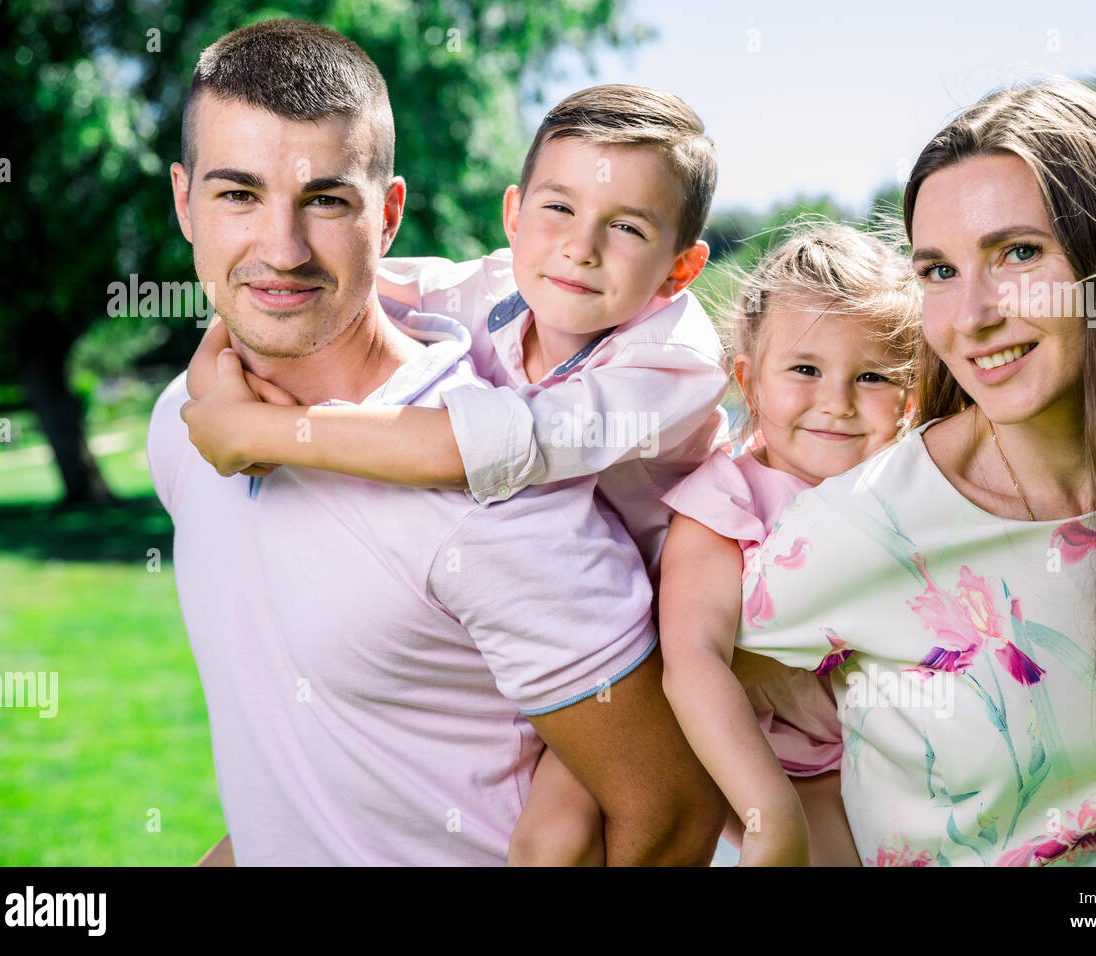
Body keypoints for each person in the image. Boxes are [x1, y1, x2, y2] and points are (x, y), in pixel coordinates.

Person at [150, 18, 723, 866]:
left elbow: (671, 812)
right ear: (183, 202)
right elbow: (327, 768)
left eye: (326, 200)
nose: (281, 248)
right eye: (238, 194)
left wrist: (264, 429)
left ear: (387, 215)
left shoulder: (505, 501)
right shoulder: (184, 423)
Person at [734, 80, 1096, 866]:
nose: (971, 316)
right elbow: (676, 683)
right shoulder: (861, 528)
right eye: (938, 271)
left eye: (1017, 253)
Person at [180, 83, 728, 585]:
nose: (580, 248)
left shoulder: (673, 361)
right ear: (514, 215)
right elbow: (285, 290)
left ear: (680, 269)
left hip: (698, 597)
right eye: (559, 207)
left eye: (627, 227)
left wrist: (260, 431)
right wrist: (216, 383)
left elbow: (482, 448)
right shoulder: (487, 290)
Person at [659, 223, 921, 866]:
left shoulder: (911, 486)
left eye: (872, 377)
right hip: (770, 763)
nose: (835, 402)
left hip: (880, 750)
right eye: (805, 369)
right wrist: (764, 812)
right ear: (748, 385)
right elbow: (693, 655)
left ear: (911, 397)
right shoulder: (727, 498)